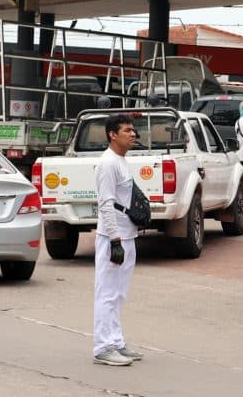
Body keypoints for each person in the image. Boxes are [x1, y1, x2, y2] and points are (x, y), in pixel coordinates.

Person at [93, 113, 144, 367]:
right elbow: (105, 203)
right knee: (107, 294)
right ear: (113, 134)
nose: (133, 134)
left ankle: (116, 342)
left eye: (133, 130)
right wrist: (114, 239)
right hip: (113, 237)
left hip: (127, 234)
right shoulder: (108, 163)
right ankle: (103, 347)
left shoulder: (122, 160)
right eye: (127, 130)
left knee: (119, 294)